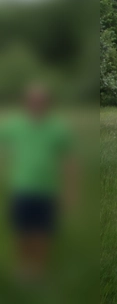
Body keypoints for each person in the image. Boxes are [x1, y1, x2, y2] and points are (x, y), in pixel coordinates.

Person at [0, 83, 73, 284]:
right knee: (21, 231)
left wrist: (69, 192)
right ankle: (23, 269)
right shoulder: (14, 125)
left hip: (48, 190)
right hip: (21, 188)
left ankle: (39, 270)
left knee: (43, 232)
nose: (36, 104)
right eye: (32, 101)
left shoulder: (58, 128)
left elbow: (68, 162)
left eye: (40, 101)